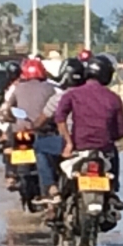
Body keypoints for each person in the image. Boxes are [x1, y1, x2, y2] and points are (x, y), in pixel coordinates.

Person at [53, 55, 123, 209]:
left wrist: (68, 142)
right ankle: (112, 191)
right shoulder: (113, 98)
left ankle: (59, 196)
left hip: (78, 146)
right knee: (114, 155)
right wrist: (109, 137)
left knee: (58, 164)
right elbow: (121, 131)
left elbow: (59, 117)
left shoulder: (72, 94)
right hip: (103, 148)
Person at [0, 57, 58, 195]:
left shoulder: (18, 88)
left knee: (9, 146)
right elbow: (55, 110)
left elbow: (7, 109)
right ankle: (50, 189)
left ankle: (11, 175)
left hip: (21, 130)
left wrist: (10, 119)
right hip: (43, 129)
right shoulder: (50, 88)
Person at [32, 57, 86, 200]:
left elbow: (41, 121)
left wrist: (32, 127)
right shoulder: (93, 96)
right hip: (95, 142)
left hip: (70, 141)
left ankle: (51, 187)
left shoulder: (60, 98)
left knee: (39, 146)